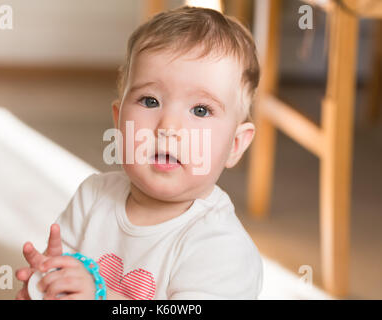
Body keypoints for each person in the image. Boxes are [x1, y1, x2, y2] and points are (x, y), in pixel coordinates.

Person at [15, 5, 263, 300]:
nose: (168, 126)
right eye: (149, 101)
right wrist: (47, 285)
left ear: (235, 146)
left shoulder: (221, 248)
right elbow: (69, 282)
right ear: (119, 121)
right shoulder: (93, 198)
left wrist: (99, 296)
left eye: (200, 110)